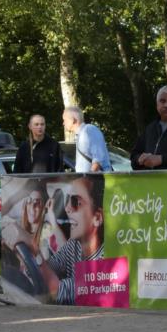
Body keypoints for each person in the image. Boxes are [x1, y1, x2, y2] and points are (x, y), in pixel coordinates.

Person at [44, 175, 104, 305]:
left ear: (97, 218)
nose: (67, 208)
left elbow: (56, 290)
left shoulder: (105, 260)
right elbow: (51, 268)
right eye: (67, 200)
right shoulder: (74, 245)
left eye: (76, 202)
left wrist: (32, 251)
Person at [62, 106, 111, 173]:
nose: (63, 123)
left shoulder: (89, 130)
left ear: (73, 120)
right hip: (89, 181)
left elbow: (98, 159)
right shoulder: (80, 134)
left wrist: (88, 178)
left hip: (97, 181)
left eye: (65, 120)